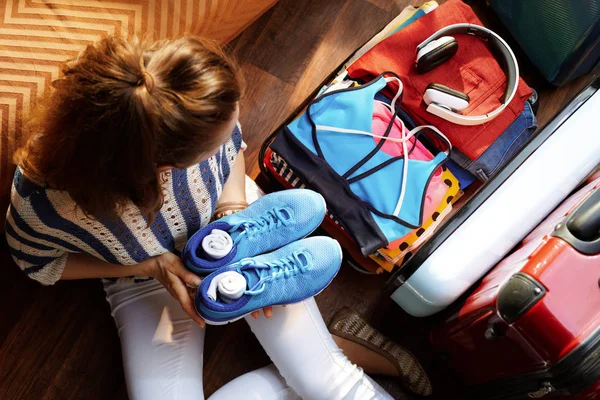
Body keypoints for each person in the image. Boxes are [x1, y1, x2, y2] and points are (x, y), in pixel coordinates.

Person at [5, 35, 401, 399]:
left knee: (334, 386)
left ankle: (256, 266)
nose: (234, 133)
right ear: (165, 168)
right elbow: (38, 262)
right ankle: (326, 351)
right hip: (143, 276)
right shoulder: (43, 203)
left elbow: (230, 144)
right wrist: (150, 266)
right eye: (213, 144)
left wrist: (232, 210)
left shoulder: (174, 95)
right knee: (318, 378)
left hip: (233, 223)